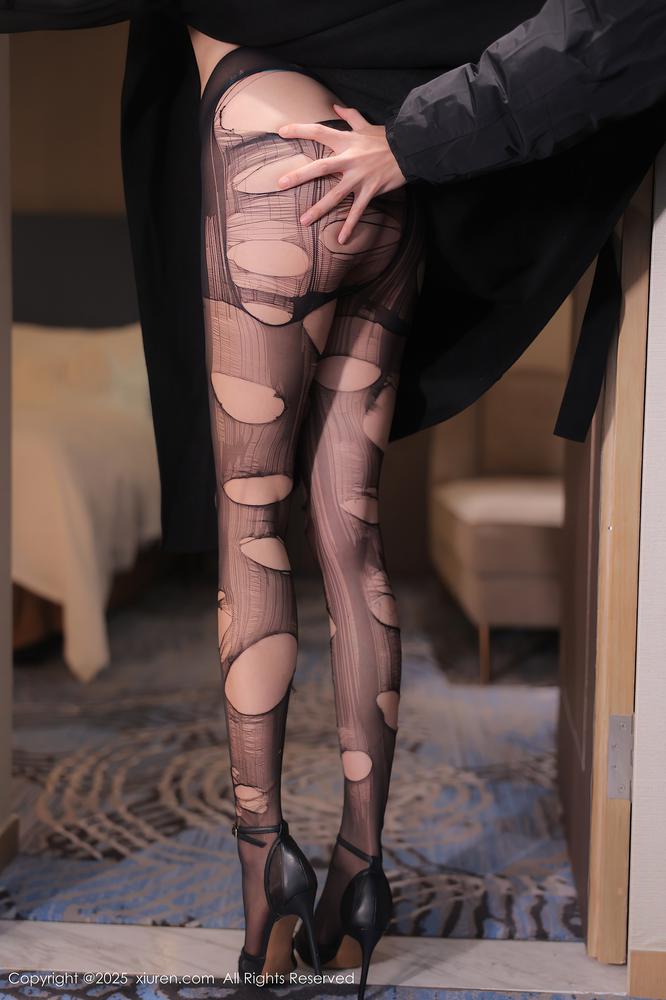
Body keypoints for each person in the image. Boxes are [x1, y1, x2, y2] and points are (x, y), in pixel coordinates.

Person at [2, 2, 666, 997]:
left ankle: (263, 867)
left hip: (271, 175)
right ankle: (361, 868)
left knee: (252, 528)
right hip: (377, 184)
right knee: (353, 540)